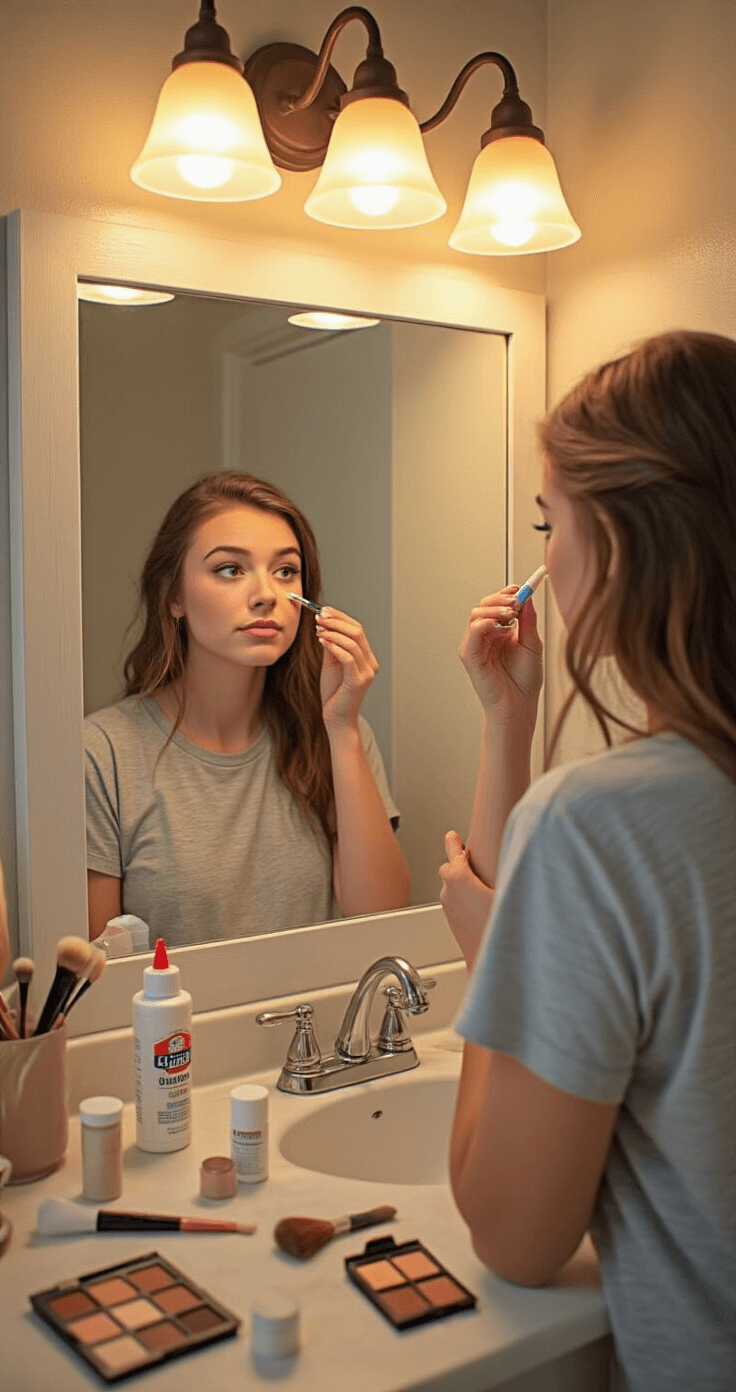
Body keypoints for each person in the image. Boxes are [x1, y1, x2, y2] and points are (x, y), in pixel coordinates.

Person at [440, 331, 736, 1391]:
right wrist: (506, 722)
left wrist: (493, 959)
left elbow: (512, 1237)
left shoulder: (602, 823)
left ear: (619, 539)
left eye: (547, 520)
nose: (545, 562)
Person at [85, 472, 410, 946]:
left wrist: (341, 731)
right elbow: (95, 976)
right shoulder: (104, 754)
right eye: (230, 570)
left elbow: (384, 919)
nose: (267, 595)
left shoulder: (341, 735)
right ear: (173, 596)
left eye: (285, 571)